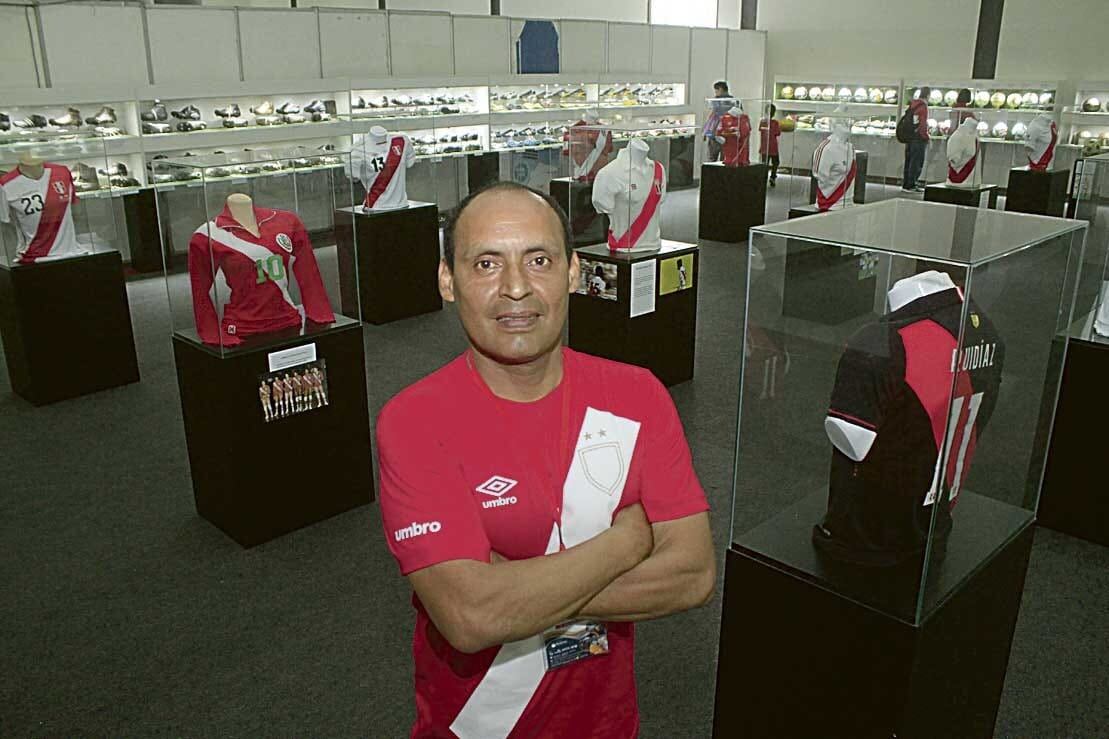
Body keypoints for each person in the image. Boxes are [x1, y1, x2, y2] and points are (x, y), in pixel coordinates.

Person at [376, 180, 715, 738]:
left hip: (607, 726)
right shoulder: (414, 421)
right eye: (486, 264)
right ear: (447, 281)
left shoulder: (638, 396)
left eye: (539, 260)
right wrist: (626, 543)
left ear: (574, 272)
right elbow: (471, 616)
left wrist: (513, 587)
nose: (515, 288)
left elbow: (693, 575)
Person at [902, 86, 930, 192]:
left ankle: (906, 184)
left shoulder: (913, 104)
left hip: (910, 137)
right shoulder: (923, 106)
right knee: (917, 161)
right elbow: (922, 124)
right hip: (918, 138)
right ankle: (912, 184)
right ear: (928, 95)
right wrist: (925, 136)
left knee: (909, 160)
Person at [703, 80, 733, 162]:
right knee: (725, 159)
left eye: (716, 90)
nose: (715, 93)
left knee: (712, 157)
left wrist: (706, 132)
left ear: (720, 89)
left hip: (716, 133)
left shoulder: (716, 101)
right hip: (728, 134)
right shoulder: (734, 101)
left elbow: (712, 117)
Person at [759, 104, 782, 187]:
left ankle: (763, 178)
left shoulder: (762, 122)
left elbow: (761, 130)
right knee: (776, 162)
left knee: (765, 164)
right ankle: (773, 177)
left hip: (764, 146)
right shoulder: (775, 123)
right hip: (773, 147)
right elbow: (778, 133)